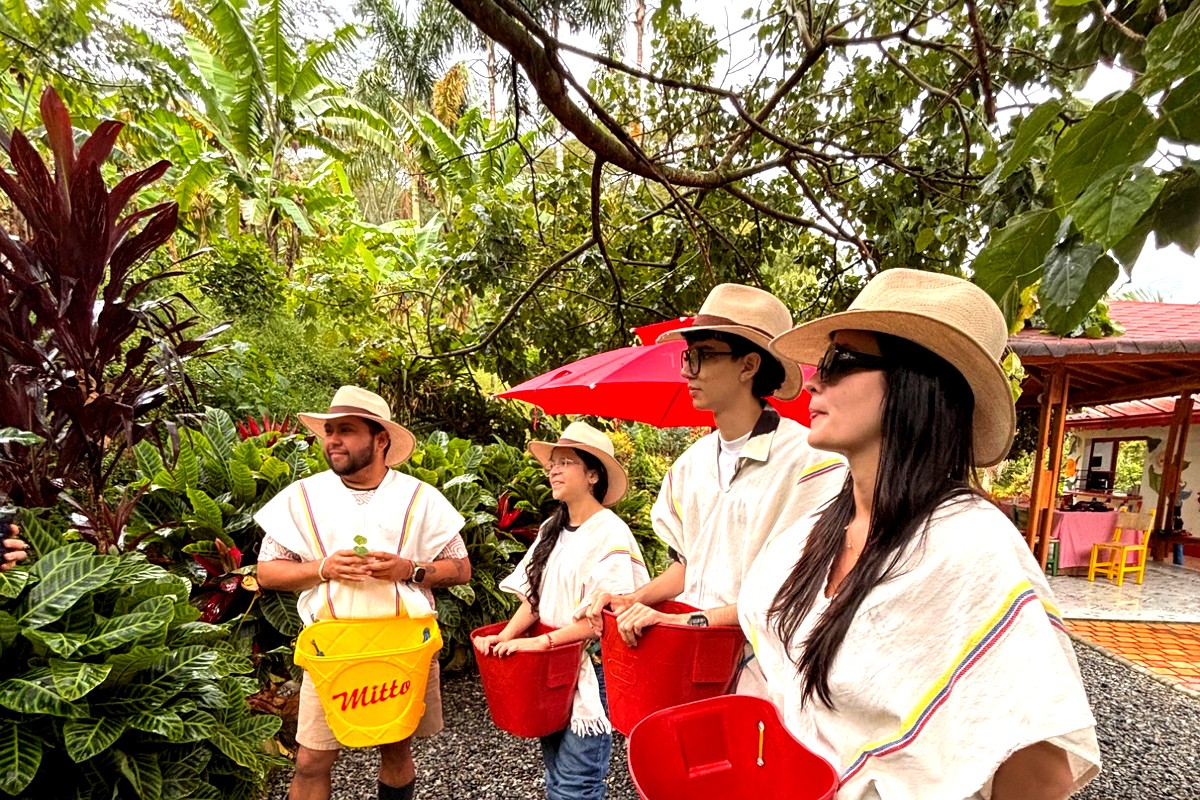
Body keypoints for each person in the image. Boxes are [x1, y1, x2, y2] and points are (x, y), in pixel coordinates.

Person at [739, 269, 1101, 799]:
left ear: (916, 384)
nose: (813, 381)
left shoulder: (972, 547)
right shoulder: (817, 531)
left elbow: (1039, 771)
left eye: (839, 362)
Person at [585, 283, 845, 694]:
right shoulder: (691, 465)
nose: (688, 371)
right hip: (688, 666)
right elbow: (688, 565)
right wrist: (634, 598)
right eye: (688, 357)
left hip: (767, 679)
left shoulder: (810, 462)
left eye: (704, 356)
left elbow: (798, 591)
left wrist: (686, 621)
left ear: (749, 365)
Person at [255, 386, 472, 800]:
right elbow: (267, 572)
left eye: (346, 430)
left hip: (403, 646)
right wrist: (323, 568)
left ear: (381, 438)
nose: (332, 440)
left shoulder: (420, 499)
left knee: (395, 747)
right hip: (332, 647)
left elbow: (460, 568)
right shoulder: (303, 497)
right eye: (329, 430)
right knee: (311, 760)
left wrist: (409, 569)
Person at [474, 422, 648, 800]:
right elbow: (533, 599)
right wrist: (504, 636)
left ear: (592, 475)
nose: (553, 470)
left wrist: (540, 645)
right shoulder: (554, 527)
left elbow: (604, 618)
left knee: (576, 784)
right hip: (550, 668)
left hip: (589, 667)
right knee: (557, 776)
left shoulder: (611, 533)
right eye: (552, 463)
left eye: (565, 462)